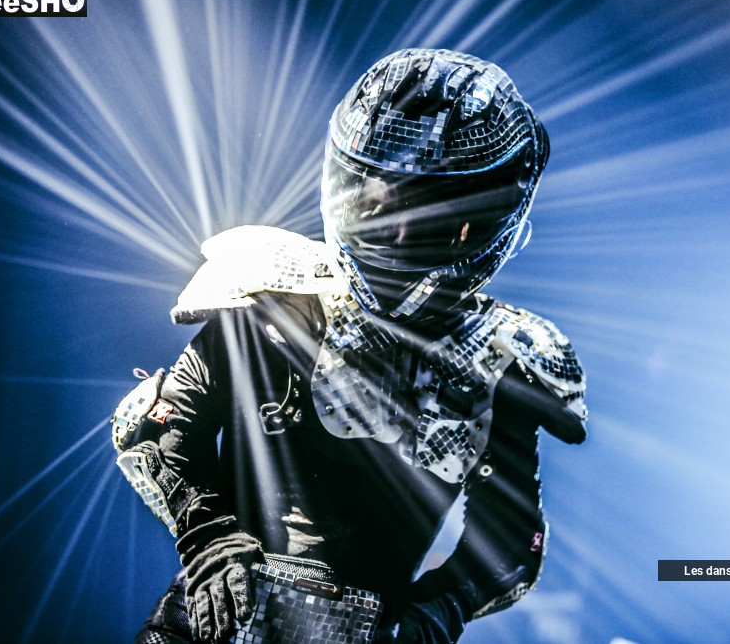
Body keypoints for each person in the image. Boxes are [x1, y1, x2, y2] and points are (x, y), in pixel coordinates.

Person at [111, 48, 588, 644]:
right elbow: (153, 426)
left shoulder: (503, 359)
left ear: (486, 216)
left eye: (425, 212)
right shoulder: (269, 294)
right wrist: (211, 540)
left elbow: (511, 545)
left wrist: (430, 619)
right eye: (373, 197)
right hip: (217, 624)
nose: (393, 232)